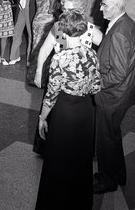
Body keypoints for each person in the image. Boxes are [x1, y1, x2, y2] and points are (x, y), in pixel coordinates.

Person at [35, 11, 100, 210]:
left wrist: (42, 118)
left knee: (59, 158)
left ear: (62, 30)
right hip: (86, 110)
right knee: (80, 159)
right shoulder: (92, 53)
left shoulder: (60, 58)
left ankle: (56, 202)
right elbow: (97, 86)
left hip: (66, 111)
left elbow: (51, 94)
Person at [93, 0, 135, 194]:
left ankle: (107, 180)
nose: (100, 7)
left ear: (118, 7)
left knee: (105, 140)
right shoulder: (125, 22)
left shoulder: (120, 31)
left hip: (112, 96)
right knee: (113, 136)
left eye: (104, 5)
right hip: (122, 93)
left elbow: (118, 73)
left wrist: (93, 83)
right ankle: (119, 174)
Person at [33, 0, 103, 89]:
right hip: (59, 79)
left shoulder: (90, 29)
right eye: (64, 10)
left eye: (70, 10)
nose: (66, 14)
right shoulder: (57, 27)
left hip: (82, 81)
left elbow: (106, 47)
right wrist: (38, 71)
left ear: (81, 11)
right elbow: (45, 50)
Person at [5, 0, 44, 65]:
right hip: (20, 11)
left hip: (31, 13)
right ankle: (14, 57)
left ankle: (29, 59)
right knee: (16, 33)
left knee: (31, 36)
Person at [27, 0, 61, 77]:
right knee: (46, 49)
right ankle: (42, 75)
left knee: (36, 46)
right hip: (47, 22)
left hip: (37, 20)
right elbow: (51, 10)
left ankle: (32, 73)